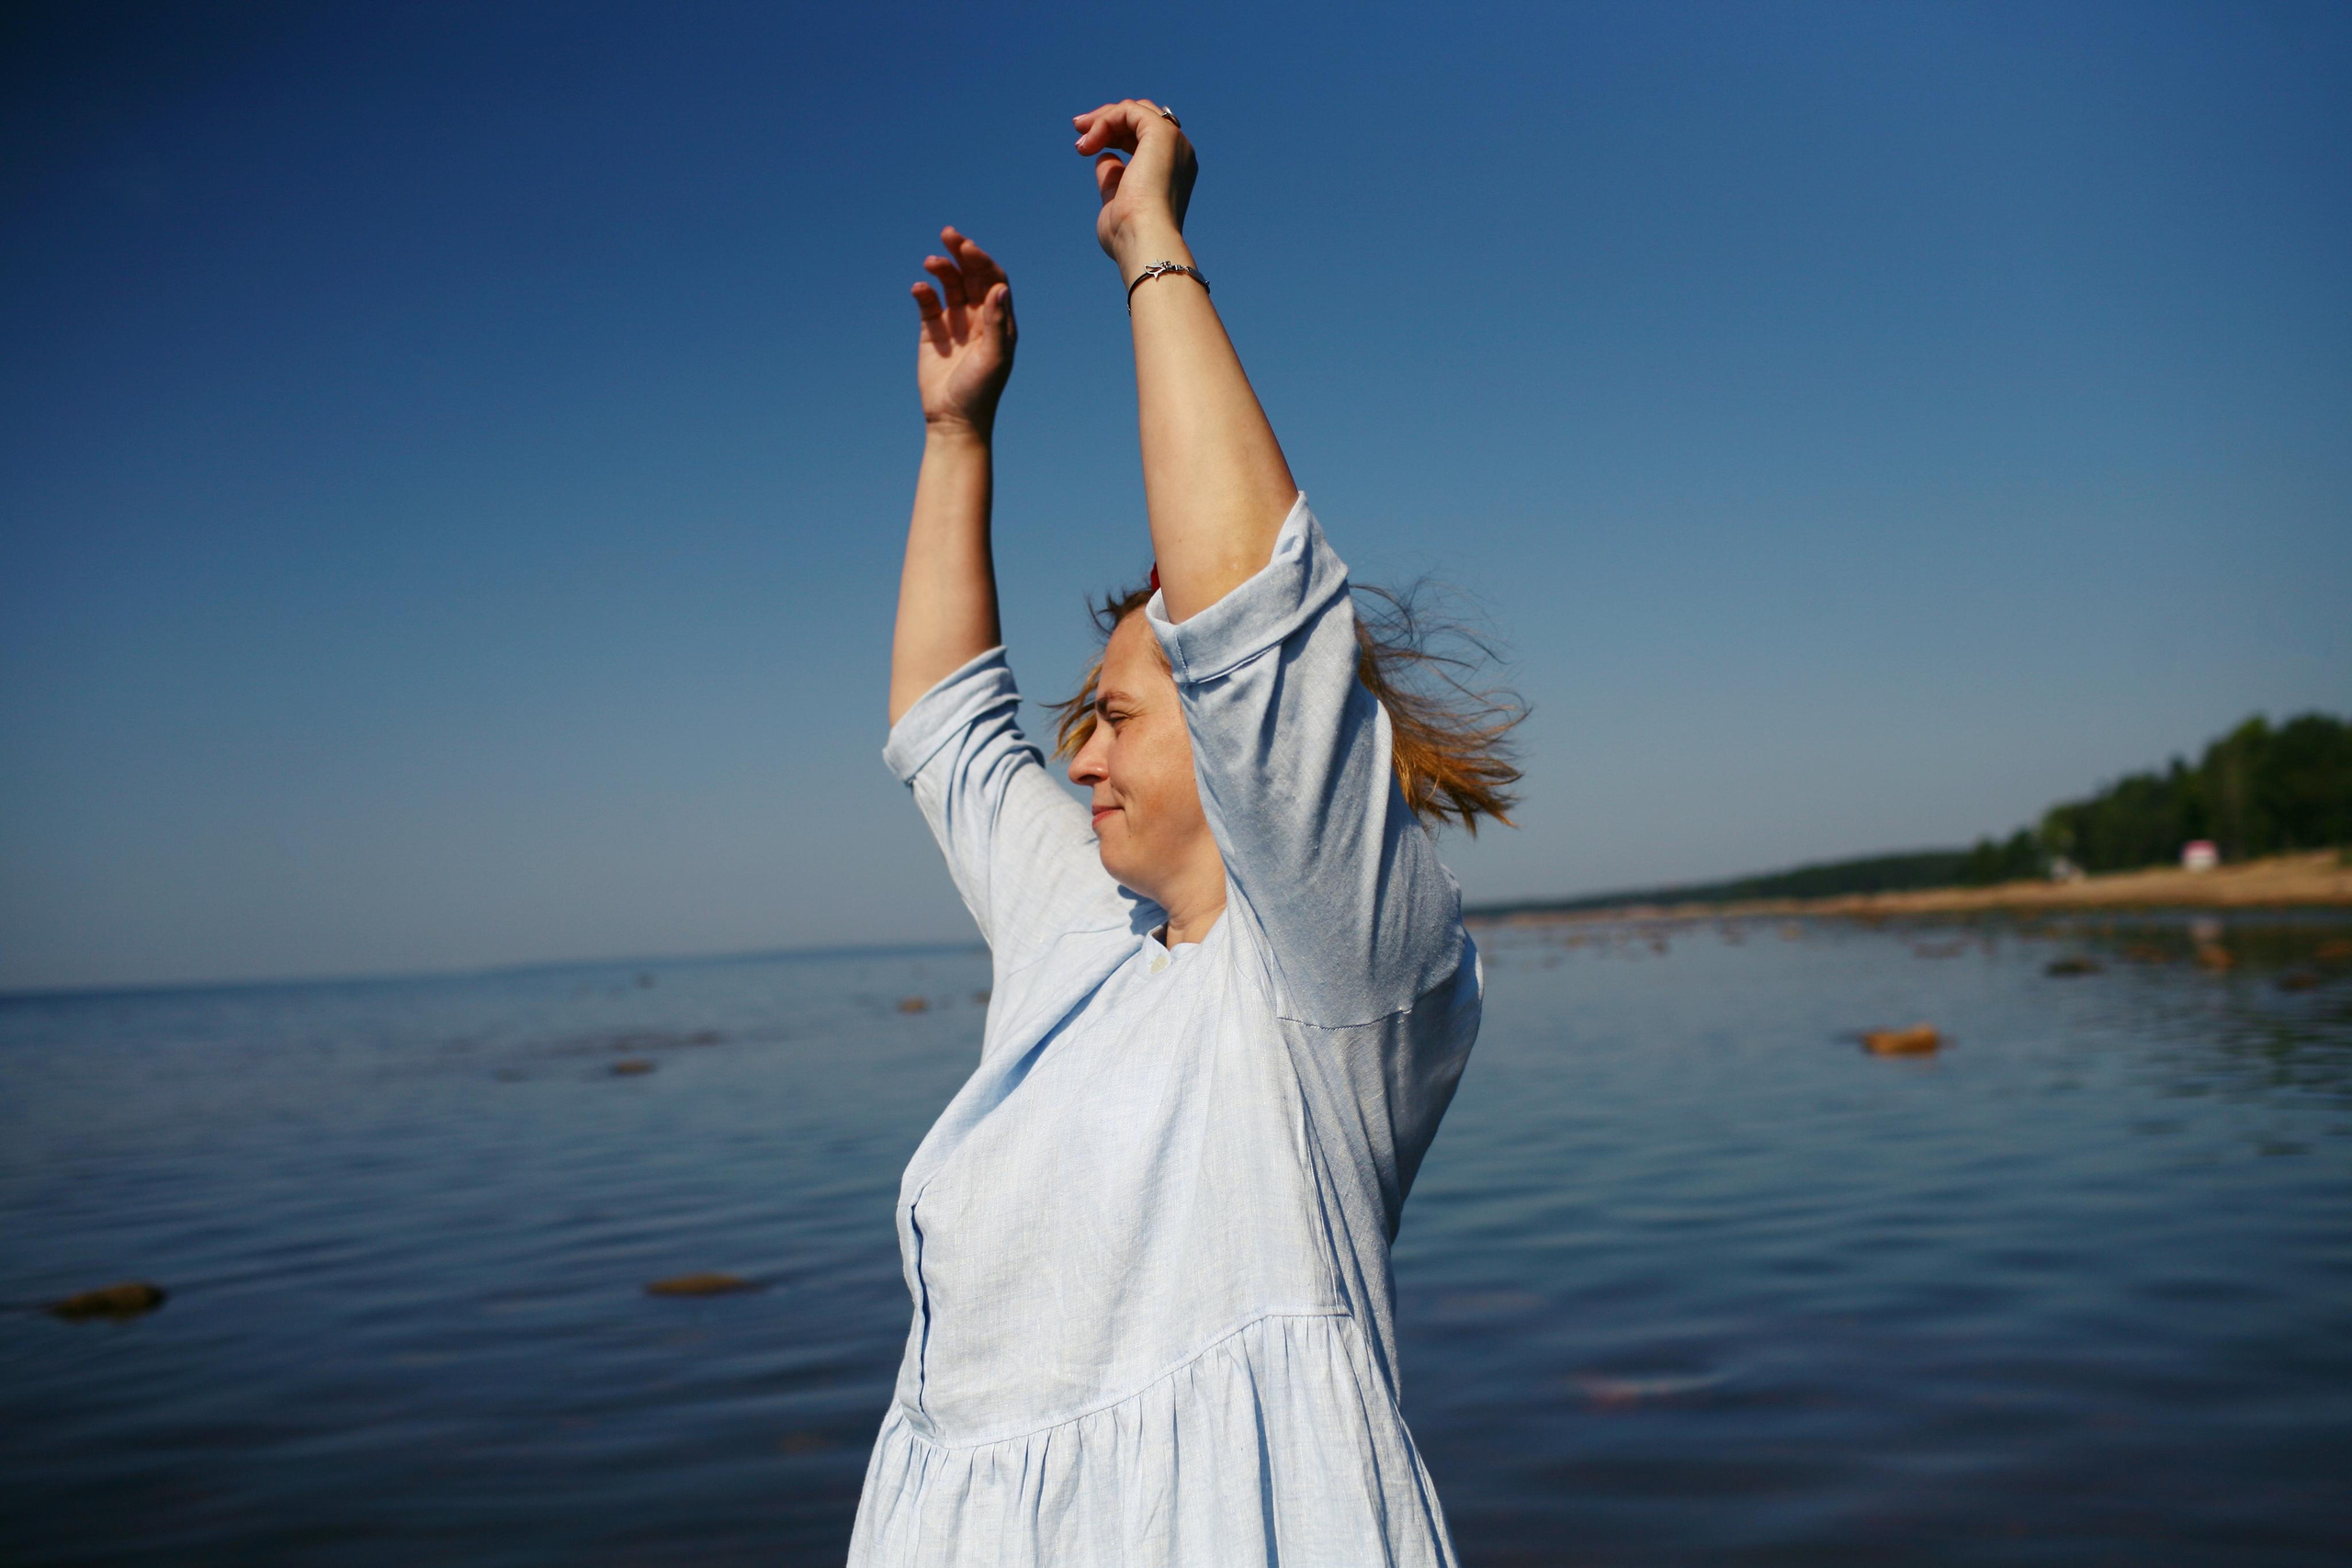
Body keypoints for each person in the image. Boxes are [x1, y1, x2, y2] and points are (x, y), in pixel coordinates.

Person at [854, 97, 1521, 1568]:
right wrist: (956, 433)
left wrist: (1149, 242)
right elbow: (947, 729)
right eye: (1080, 715)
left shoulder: (1333, 982)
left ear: (1234, 752)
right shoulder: (1081, 930)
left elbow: (1253, 630)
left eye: (1120, 715)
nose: (1076, 747)